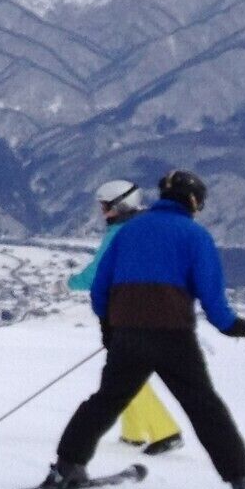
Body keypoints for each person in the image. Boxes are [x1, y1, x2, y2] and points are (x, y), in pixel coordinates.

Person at [44, 169, 245, 489]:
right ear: (192, 201)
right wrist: (230, 325)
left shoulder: (127, 232)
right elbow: (211, 294)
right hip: (173, 335)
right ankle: (241, 481)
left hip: (128, 335)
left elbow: (101, 286)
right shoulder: (195, 235)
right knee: (204, 407)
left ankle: (67, 467)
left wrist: (110, 326)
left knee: (106, 401)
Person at [66, 180, 183, 457]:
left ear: (119, 205)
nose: (102, 211)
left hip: (125, 312)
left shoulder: (118, 233)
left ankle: (164, 431)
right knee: (125, 371)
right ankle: (134, 432)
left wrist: (69, 283)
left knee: (124, 374)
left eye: (104, 206)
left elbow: (96, 275)